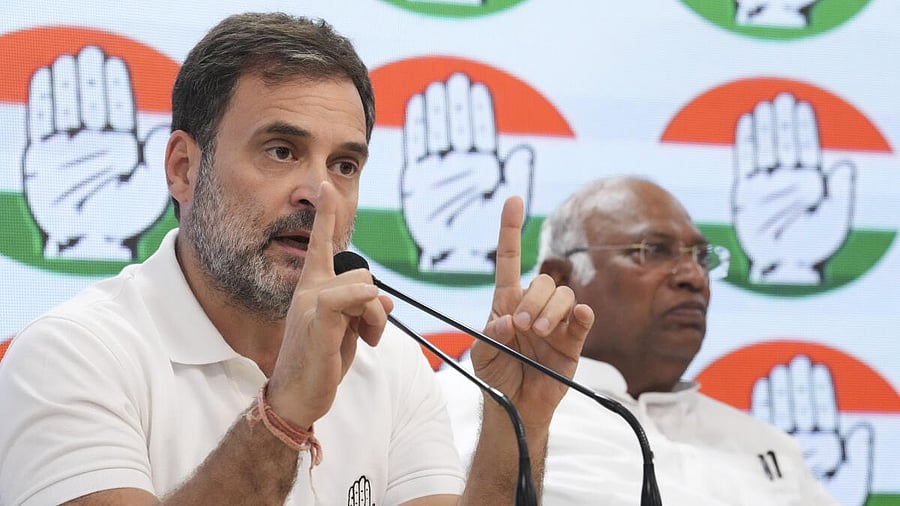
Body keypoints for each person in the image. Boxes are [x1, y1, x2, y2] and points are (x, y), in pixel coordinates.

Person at [0, 13, 594, 506]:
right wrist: (284, 414)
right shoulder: (70, 355)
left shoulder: (390, 364)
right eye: (281, 151)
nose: (321, 194)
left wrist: (515, 421)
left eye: (344, 165)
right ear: (183, 167)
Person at [439, 176, 837, 504]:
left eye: (702, 258)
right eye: (654, 251)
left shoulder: (767, 446)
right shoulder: (474, 398)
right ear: (560, 278)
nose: (693, 277)